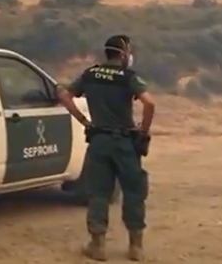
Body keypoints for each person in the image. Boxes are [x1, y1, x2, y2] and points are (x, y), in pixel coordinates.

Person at [55, 35, 156, 262]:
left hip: (99, 140)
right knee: (133, 192)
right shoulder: (128, 77)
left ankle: (97, 245)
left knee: (99, 193)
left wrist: (83, 120)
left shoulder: (90, 74)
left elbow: (65, 96)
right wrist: (144, 131)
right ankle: (135, 247)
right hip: (125, 143)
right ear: (122, 54)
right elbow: (149, 103)